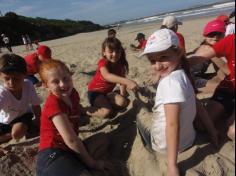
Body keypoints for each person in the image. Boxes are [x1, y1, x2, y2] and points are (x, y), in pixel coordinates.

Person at [36, 59, 110, 176]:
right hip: (52, 154)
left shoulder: (73, 94)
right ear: (46, 85)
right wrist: (92, 163)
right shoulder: (54, 104)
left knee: (103, 140)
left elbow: (77, 110)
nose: (63, 84)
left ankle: (76, 166)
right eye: (56, 82)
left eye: (65, 78)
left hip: (68, 151)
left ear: (70, 75)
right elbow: (71, 140)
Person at [138, 29, 197, 176]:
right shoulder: (183, 74)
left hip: (165, 147)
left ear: (178, 52)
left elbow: (172, 124)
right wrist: (211, 130)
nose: (158, 66)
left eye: (163, 57)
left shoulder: (170, 83)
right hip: (189, 139)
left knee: (140, 114)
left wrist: (172, 166)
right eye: (152, 61)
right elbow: (198, 105)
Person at [189, 34, 235, 141]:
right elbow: (195, 60)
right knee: (200, 124)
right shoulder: (231, 40)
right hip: (228, 88)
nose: (215, 38)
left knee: (232, 132)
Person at [86, 38, 138, 119]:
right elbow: (107, 76)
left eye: (117, 51)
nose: (114, 54)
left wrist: (123, 95)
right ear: (104, 53)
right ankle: (83, 110)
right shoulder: (103, 62)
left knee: (122, 103)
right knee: (107, 112)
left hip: (107, 93)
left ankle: (107, 102)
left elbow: (122, 83)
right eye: (111, 52)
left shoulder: (120, 65)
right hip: (95, 92)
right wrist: (128, 81)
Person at [0, 54, 41, 144]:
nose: (11, 82)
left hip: (23, 116)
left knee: (18, 132)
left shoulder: (28, 85)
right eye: (7, 78)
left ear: (24, 75)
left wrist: (38, 120)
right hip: (5, 121)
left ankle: (19, 131)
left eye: (16, 78)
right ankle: (9, 134)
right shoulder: (2, 93)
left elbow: (35, 105)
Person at [189, 19, 229, 88]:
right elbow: (224, 67)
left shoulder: (204, 46)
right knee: (221, 87)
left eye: (219, 34)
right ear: (205, 36)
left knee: (220, 78)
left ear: (224, 35)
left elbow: (219, 68)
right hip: (189, 79)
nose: (215, 37)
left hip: (194, 75)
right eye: (212, 34)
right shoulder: (210, 49)